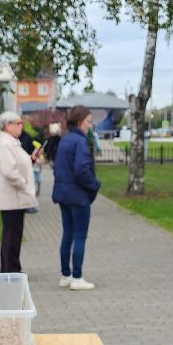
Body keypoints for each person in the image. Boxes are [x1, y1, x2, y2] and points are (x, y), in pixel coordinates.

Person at [52, 104, 99, 290]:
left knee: (68, 235)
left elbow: (58, 167)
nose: (90, 125)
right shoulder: (80, 141)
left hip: (63, 194)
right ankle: (77, 277)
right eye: (88, 121)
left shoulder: (65, 140)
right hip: (78, 196)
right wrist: (94, 185)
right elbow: (81, 170)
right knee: (79, 236)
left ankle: (66, 275)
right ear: (79, 121)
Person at [0, 111, 37, 273]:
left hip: (16, 198)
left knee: (15, 235)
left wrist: (31, 160)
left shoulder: (12, 142)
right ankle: (9, 270)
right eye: (18, 123)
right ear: (7, 126)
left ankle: (12, 268)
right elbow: (9, 171)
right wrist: (24, 185)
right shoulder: (5, 143)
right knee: (11, 236)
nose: (21, 126)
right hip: (12, 197)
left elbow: (18, 163)